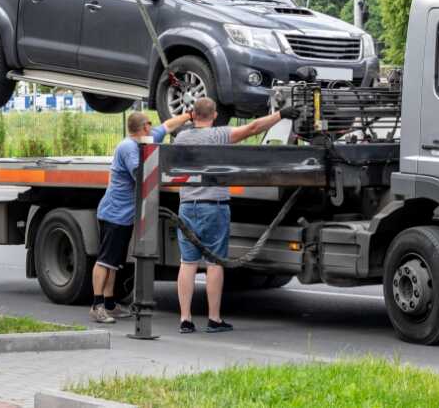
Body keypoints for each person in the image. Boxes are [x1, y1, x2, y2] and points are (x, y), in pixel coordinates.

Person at [175, 97, 299, 334]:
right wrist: (281, 114)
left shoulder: (182, 137)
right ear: (214, 115)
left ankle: (185, 319)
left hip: (187, 205)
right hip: (214, 205)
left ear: (193, 115)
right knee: (214, 264)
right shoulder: (219, 135)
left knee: (187, 263)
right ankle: (214, 319)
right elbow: (253, 128)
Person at [89, 110, 194, 324]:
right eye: (150, 123)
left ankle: (109, 304)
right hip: (114, 214)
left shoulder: (145, 139)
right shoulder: (128, 147)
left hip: (124, 215)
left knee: (114, 263)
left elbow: (168, 126)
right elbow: (141, 175)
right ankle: (96, 306)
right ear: (144, 126)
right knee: (105, 261)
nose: (153, 127)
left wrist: (189, 116)